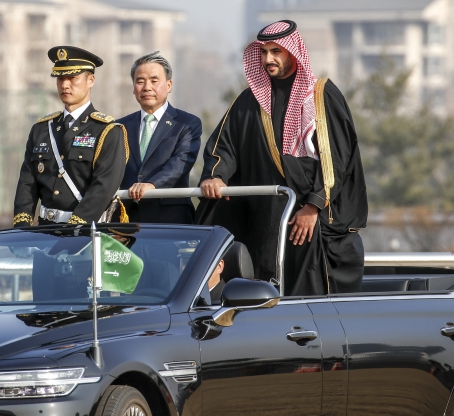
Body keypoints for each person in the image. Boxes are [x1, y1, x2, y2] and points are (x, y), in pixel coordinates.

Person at [197, 20, 368, 296]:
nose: (268, 59)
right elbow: (224, 145)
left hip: (310, 221)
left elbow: (338, 158)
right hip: (264, 222)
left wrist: (313, 207)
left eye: (276, 51)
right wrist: (216, 175)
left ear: (293, 52)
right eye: (263, 52)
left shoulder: (322, 95)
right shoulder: (250, 101)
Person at [13, 46, 128, 226]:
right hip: (45, 232)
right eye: (60, 78)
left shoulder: (108, 130)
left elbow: (104, 186)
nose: (65, 85)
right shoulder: (42, 129)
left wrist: (76, 227)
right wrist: (22, 226)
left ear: (91, 80)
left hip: (86, 234)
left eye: (72, 78)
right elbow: (27, 183)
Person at [115, 51, 201, 224]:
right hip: (126, 220)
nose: (147, 87)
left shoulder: (186, 124)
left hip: (170, 218)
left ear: (169, 85)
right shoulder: (120, 126)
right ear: (133, 88)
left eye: (154, 81)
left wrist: (152, 185)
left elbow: (180, 164)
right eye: (140, 81)